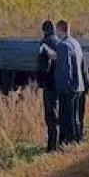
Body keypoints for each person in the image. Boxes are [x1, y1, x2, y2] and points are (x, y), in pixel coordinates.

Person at [54, 20, 85, 145]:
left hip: (69, 87)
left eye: (57, 30)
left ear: (60, 30)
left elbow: (65, 68)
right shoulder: (76, 43)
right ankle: (78, 139)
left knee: (67, 117)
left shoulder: (63, 45)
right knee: (75, 115)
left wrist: (63, 86)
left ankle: (69, 141)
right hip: (79, 85)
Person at [37, 20, 61, 152]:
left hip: (49, 85)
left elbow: (43, 66)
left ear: (44, 31)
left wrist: (41, 81)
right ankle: (58, 142)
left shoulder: (45, 43)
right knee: (58, 114)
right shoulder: (59, 42)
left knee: (50, 116)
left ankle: (52, 147)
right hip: (59, 83)